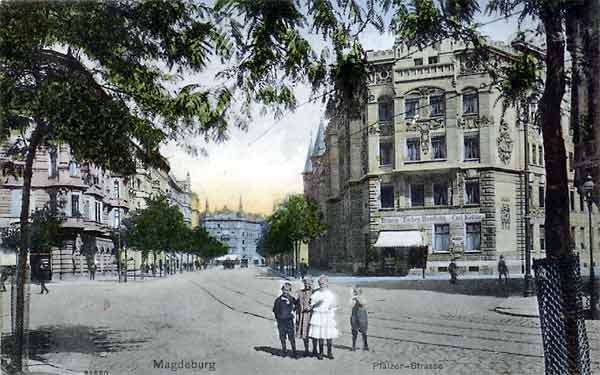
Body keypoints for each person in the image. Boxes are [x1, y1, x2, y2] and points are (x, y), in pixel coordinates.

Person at [309, 275, 338, 360]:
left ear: (327, 283)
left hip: (327, 315)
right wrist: (317, 304)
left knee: (329, 335)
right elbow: (311, 305)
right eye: (320, 283)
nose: (322, 285)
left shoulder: (330, 294)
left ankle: (329, 352)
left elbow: (335, 305)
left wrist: (331, 307)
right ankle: (321, 352)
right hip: (318, 315)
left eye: (323, 283)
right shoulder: (316, 293)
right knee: (320, 335)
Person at [273, 282, 298, 358]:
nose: (285, 292)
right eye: (284, 290)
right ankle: (284, 350)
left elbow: (297, 304)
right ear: (282, 290)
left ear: (290, 290)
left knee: (291, 337)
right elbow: (275, 310)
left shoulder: (292, 298)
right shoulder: (278, 300)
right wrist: (278, 318)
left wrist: (293, 310)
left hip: (289, 320)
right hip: (281, 321)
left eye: (287, 290)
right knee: (282, 336)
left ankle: (294, 351)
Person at [296, 276, 317, 357]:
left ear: (312, 283)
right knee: (305, 333)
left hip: (312, 315)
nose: (307, 285)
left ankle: (315, 349)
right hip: (303, 316)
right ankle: (306, 349)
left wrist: (311, 307)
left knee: (314, 333)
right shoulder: (300, 292)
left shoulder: (315, 292)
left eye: (309, 283)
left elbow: (317, 303)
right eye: (305, 283)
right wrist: (297, 314)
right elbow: (298, 304)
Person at [350, 286, 369, 351]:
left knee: (364, 331)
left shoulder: (362, 298)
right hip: (354, 316)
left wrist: (357, 299)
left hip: (362, 316)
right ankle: (353, 346)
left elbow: (363, 304)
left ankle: (365, 345)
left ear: (360, 292)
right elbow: (351, 305)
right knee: (354, 331)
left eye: (356, 291)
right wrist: (354, 299)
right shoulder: (353, 298)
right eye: (354, 291)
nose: (354, 292)